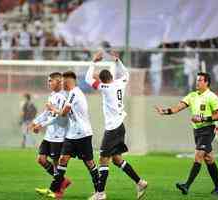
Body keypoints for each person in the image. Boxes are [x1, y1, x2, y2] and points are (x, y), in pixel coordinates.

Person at [85, 51, 148, 200]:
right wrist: (118, 61)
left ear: (102, 80)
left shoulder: (105, 88)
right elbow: (126, 73)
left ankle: (100, 193)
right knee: (116, 159)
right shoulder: (120, 83)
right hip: (120, 126)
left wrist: (93, 62)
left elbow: (88, 79)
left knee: (103, 159)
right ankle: (140, 182)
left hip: (113, 128)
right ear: (112, 77)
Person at [155, 72, 218, 196]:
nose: (197, 82)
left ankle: (186, 185)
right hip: (197, 131)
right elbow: (177, 108)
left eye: (200, 80)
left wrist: (202, 119)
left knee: (198, 156)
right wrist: (164, 111)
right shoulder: (192, 95)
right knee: (209, 159)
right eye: (197, 80)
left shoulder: (212, 97)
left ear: (206, 82)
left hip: (208, 130)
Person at [42, 71, 100, 199]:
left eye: (63, 81)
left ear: (69, 81)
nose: (61, 83)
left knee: (89, 163)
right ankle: (54, 191)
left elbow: (64, 113)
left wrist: (52, 108)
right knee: (63, 159)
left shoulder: (75, 93)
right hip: (72, 134)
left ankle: (99, 191)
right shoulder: (70, 94)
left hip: (83, 134)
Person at [28, 72, 70, 195]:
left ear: (58, 81)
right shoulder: (52, 95)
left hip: (59, 135)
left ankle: (57, 191)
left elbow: (59, 117)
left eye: (50, 81)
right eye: (48, 81)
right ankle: (62, 181)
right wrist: (35, 121)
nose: (48, 83)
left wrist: (42, 125)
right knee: (41, 159)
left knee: (57, 163)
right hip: (49, 135)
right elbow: (47, 113)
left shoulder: (63, 97)